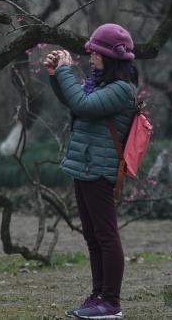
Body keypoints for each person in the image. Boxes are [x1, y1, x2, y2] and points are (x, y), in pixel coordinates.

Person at [43, 23, 138, 320]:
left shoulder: (121, 90)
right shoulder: (101, 85)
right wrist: (57, 77)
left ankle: (111, 301)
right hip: (85, 166)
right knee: (93, 236)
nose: (91, 57)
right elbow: (75, 104)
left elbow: (82, 105)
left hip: (100, 168)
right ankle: (98, 297)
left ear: (110, 56)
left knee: (106, 236)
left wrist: (66, 71)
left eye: (95, 53)